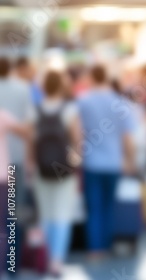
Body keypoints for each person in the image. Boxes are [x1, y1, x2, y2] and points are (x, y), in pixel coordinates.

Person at [77, 65, 135, 260]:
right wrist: (130, 160)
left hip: (91, 161)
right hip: (114, 162)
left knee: (94, 207)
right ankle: (107, 244)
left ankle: (95, 248)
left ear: (92, 77)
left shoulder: (83, 101)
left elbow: (76, 132)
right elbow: (128, 137)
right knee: (109, 205)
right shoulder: (120, 102)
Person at [31, 71, 81, 277]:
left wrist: (30, 164)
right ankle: (56, 261)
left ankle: (43, 255)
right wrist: (75, 164)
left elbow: (31, 141)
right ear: (61, 86)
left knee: (45, 214)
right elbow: (78, 140)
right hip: (63, 168)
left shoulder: (35, 110)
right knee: (62, 214)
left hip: (41, 168)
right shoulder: (69, 109)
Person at [0, 56, 34, 270]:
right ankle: (12, 262)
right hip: (14, 162)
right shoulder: (23, 89)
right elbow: (29, 127)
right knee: (13, 212)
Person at [0, 110, 30, 280]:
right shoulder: (2, 115)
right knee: (5, 226)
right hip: (5, 176)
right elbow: (26, 132)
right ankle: (5, 270)